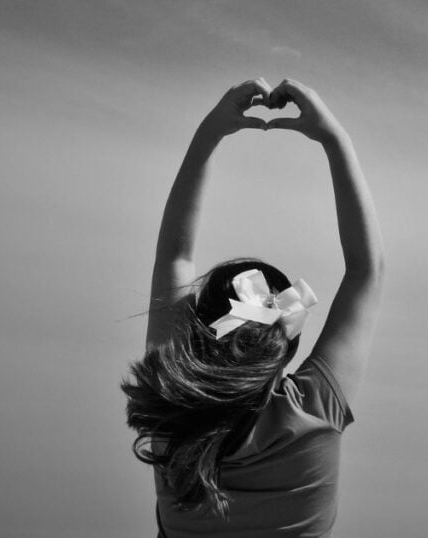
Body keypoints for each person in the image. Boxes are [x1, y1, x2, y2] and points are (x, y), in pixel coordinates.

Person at [121, 78, 384, 537]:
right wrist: (332, 136)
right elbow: (367, 269)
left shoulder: (170, 404)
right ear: (283, 339)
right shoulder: (313, 411)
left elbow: (174, 257)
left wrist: (210, 133)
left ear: (199, 329)